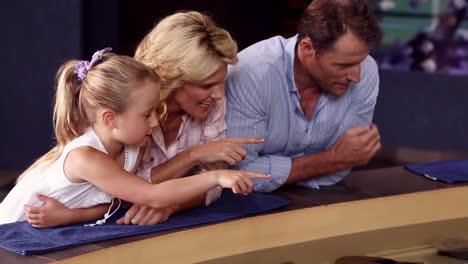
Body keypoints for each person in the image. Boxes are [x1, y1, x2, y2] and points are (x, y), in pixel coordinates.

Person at [0, 48, 269, 227]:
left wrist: (71, 216)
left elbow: (120, 196)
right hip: (11, 233)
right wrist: (216, 177)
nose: (155, 121)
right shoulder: (86, 157)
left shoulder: (128, 147)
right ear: (110, 119)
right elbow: (151, 195)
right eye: (147, 114)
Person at [116, 11, 264, 225]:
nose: (218, 95)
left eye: (220, 82)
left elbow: (213, 184)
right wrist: (193, 155)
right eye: (206, 86)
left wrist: (172, 205)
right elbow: (123, 189)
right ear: (171, 79)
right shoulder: (129, 108)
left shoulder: (212, 103)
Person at [225, 0, 383, 192]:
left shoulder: (367, 70)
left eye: (360, 61)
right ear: (308, 48)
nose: (356, 76)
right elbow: (239, 173)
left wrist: (324, 164)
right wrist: (331, 159)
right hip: (243, 203)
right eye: (343, 65)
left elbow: (346, 162)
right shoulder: (252, 73)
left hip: (325, 195)